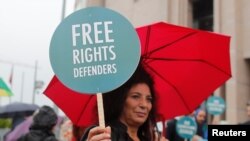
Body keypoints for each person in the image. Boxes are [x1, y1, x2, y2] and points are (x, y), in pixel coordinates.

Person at [80, 63, 168, 141]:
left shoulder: (149, 138)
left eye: (149, 99)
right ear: (119, 100)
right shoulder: (102, 134)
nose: (144, 105)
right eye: (135, 96)